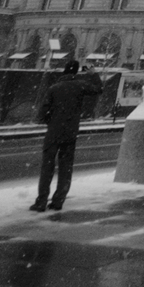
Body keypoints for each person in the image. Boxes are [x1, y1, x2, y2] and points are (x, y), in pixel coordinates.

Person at [33, 59, 103, 212]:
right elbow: (98, 89)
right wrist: (93, 73)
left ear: (64, 71)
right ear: (77, 71)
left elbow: (43, 112)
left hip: (53, 132)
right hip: (70, 131)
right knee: (66, 167)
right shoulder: (80, 86)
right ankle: (58, 200)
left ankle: (41, 201)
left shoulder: (54, 88)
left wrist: (50, 121)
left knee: (47, 167)